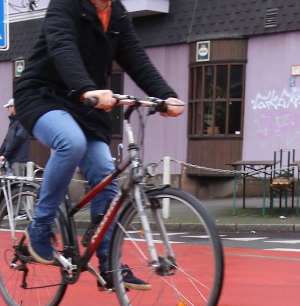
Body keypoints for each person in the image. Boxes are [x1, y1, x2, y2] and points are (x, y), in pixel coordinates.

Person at [13, 0, 184, 288]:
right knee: (71, 142)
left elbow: (136, 58)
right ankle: (38, 229)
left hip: (86, 104)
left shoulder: (116, 13)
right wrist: (87, 88)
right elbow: (62, 47)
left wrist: (164, 95)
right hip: (43, 96)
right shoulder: (65, 5)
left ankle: (109, 261)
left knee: (107, 173)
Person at [0, 98, 31, 172]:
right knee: (10, 182)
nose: (7, 109)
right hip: (11, 159)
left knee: (17, 183)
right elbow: (6, 141)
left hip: (19, 160)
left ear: (14, 107)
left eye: (8, 107)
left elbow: (17, 141)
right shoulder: (13, 122)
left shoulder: (22, 122)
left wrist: (5, 155)